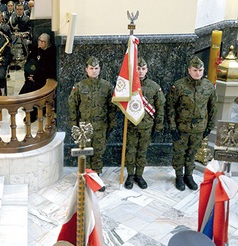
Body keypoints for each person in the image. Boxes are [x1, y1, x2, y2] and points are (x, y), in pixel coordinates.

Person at [167, 56, 217, 191]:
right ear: (189, 70)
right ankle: (179, 176)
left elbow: (213, 108)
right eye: (195, 70)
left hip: (199, 128)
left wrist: (209, 127)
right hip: (181, 127)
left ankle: (188, 175)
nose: (198, 73)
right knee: (179, 153)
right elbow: (170, 107)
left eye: (200, 70)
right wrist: (172, 127)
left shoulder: (208, 87)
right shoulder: (178, 86)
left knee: (192, 153)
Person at [68, 56, 116, 175]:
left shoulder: (107, 86)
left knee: (98, 153)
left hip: (101, 125)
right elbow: (72, 106)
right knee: (85, 153)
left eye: (96, 68)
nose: (94, 71)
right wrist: (74, 125)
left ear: (100, 69)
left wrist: (111, 124)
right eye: (91, 68)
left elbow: (112, 107)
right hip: (84, 126)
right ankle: (87, 176)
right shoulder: (79, 86)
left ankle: (96, 176)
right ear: (86, 69)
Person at [124, 58, 165, 189]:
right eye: (138, 68)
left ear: (147, 70)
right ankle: (130, 175)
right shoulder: (128, 85)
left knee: (142, 151)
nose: (140, 71)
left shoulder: (154, 87)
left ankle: (139, 175)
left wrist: (159, 125)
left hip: (147, 126)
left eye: (143, 69)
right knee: (130, 151)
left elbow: (160, 107)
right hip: (131, 125)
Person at [19, 33, 56, 122]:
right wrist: (29, 76)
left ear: (48, 43)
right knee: (28, 87)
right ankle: (30, 112)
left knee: (32, 88)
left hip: (43, 80)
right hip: (31, 79)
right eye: (39, 41)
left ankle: (34, 112)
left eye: (43, 42)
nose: (41, 43)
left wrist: (35, 77)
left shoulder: (50, 54)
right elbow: (28, 65)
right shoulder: (35, 51)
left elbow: (49, 71)